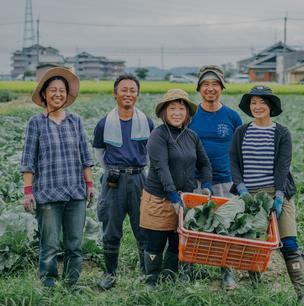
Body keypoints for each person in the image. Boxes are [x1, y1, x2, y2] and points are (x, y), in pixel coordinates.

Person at [229, 85, 304, 303]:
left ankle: (302, 294)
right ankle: (256, 289)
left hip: (277, 193)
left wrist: (280, 195)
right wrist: (242, 188)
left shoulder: (281, 132)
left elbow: (283, 166)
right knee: (254, 244)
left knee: (289, 244)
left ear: (271, 106)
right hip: (250, 196)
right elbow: (234, 162)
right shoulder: (241, 132)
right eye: (254, 102)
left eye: (262, 102)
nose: (257, 106)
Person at [20, 67, 95, 289]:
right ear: (44, 94)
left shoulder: (75, 121)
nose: (57, 94)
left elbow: (85, 156)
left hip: (76, 193)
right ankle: (49, 283)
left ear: (66, 94)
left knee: (74, 244)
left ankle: (72, 283)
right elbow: (28, 160)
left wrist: (89, 185)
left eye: (62, 90)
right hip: (47, 194)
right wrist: (27, 192)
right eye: (52, 90)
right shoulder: (36, 123)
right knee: (50, 244)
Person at [139, 89, 213, 287]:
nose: (177, 112)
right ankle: (151, 282)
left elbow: (205, 164)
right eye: (172, 108)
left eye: (181, 108)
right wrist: (172, 196)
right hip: (159, 198)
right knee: (155, 243)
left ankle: (169, 278)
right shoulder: (158, 135)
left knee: (176, 242)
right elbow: (161, 168)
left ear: (187, 113)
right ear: (164, 112)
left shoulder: (192, 136)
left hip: (184, 199)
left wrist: (206, 185)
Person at [93, 74, 154, 290]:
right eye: (124, 90)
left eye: (132, 90)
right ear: (115, 93)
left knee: (144, 227)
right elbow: (100, 152)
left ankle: (147, 274)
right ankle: (110, 273)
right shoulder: (103, 124)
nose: (128, 94)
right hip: (113, 180)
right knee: (111, 228)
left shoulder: (146, 121)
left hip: (139, 178)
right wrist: (114, 168)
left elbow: (151, 151)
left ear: (137, 94)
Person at [188, 64, 242, 289]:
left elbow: (241, 150)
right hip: (195, 180)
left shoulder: (231, 116)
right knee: (191, 226)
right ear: (199, 88)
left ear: (222, 87)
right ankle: (187, 270)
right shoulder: (190, 114)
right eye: (206, 84)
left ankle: (227, 272)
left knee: (226, 227)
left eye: (215, 84)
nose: (210, 89)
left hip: (225, 180)